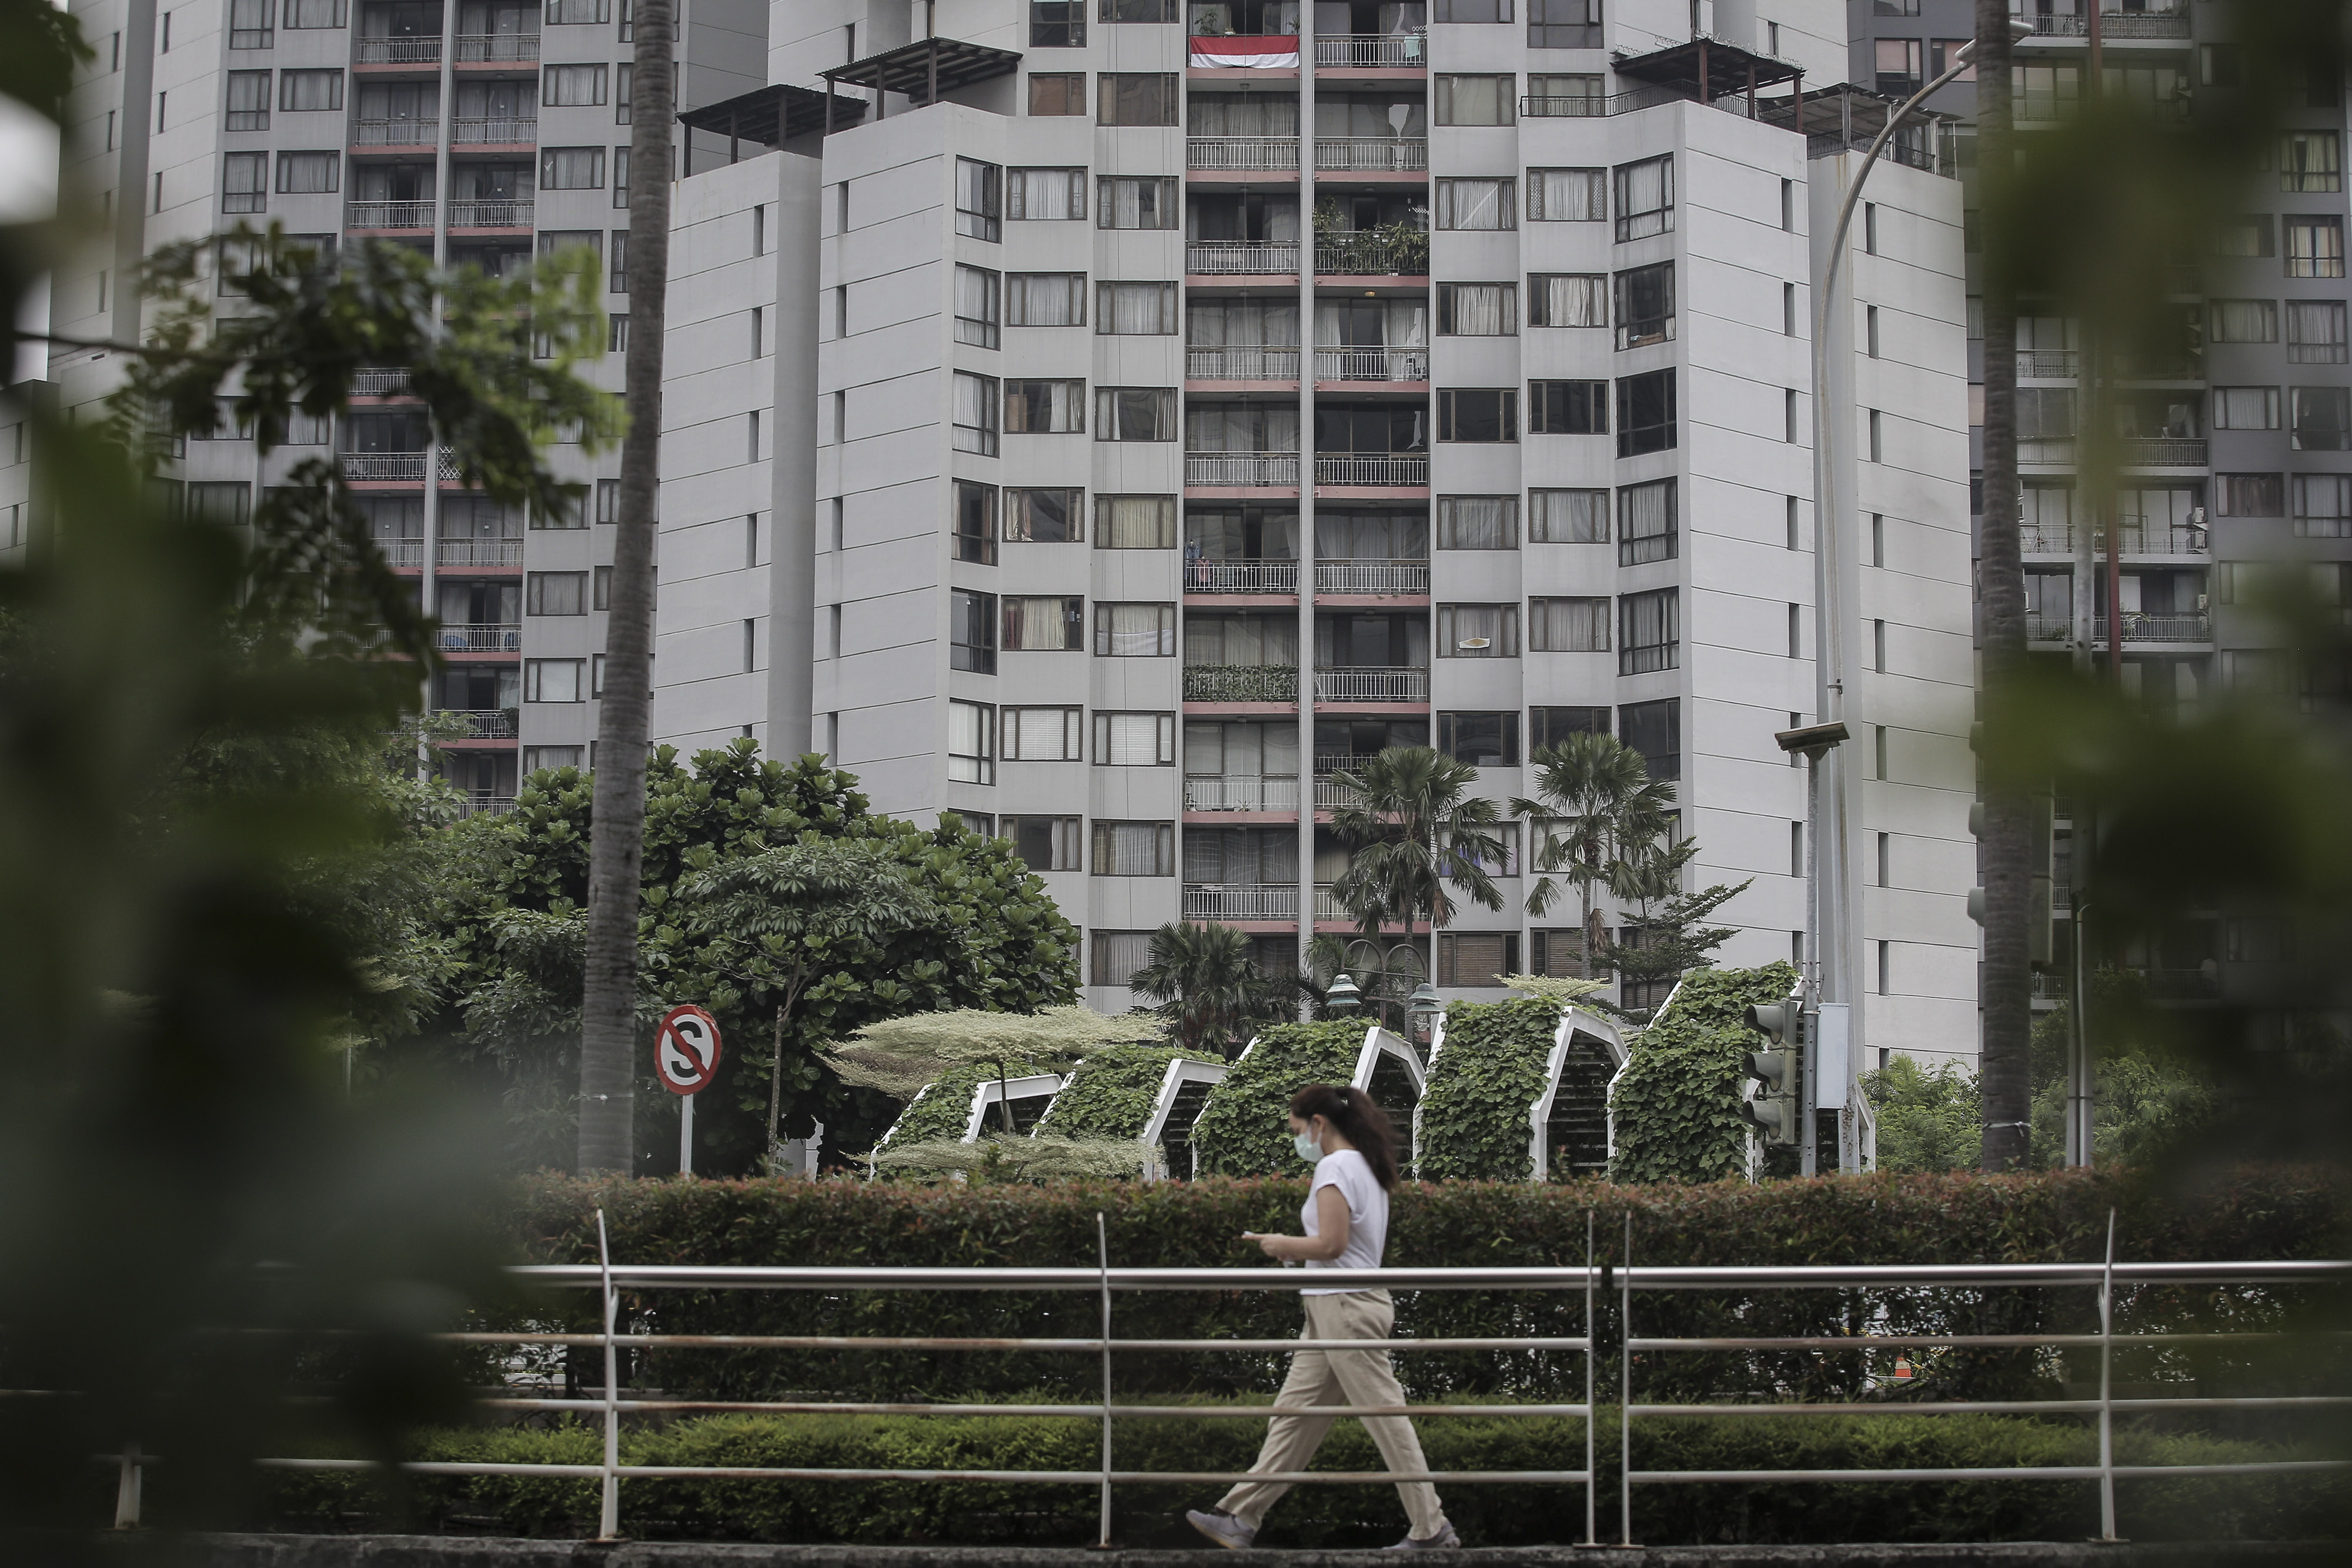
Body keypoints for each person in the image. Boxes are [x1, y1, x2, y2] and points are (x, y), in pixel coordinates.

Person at [1184, 1084, 1459, 1551]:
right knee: (1294, 1417)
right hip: (1337, 1304)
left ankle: (1431, 1527)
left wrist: (1280, 1243)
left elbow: (1331, 1243)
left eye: (1297, 1130)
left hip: (1343, 1306)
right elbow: (1345, 1245)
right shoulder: (1364, 1166)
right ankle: (1239, 1516)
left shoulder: (1335, 1166)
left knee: (1385, 1418)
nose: (1298, 1141)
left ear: (1318, 1124)